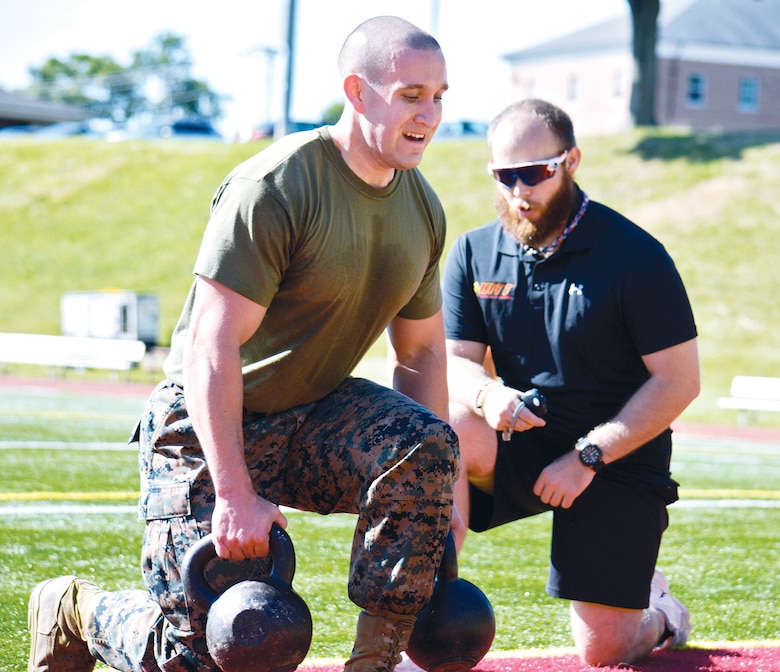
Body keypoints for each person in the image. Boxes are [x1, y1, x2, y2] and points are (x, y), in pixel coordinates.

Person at [28, 16, 461, 672]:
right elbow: (211, 346)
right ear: (357, 91)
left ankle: (374, 664)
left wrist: (439, 494)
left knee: (426, 444)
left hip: (310, 415)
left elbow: (422, 353)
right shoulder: (276, 186)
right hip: (204, 424)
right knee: (203, 654)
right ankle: (75, 609)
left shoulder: (423, 207)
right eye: (410, 95)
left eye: (439, 96)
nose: (429, 114)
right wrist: (233, 491)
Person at [442, 99, 700, 667]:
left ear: (571, 161)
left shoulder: (636, 256)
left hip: (618, 453)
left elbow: (679, 382)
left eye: (534, 172)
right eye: (503, 175)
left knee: (603, 652)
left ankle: (660, 614)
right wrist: (489, 395)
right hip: (523, 433)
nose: (518, 190)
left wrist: (586, 457)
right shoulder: (473, 251)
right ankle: (430, 598)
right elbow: (452, 363)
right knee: (449, 425)